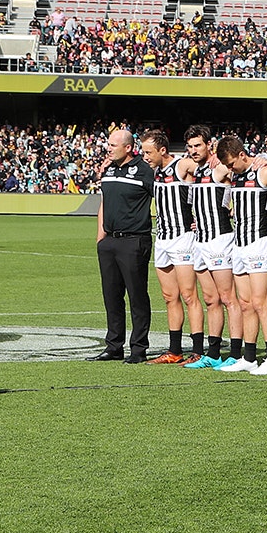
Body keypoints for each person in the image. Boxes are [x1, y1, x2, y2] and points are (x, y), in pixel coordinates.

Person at [216, 134, 267, 375]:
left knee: (260, 302)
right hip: (239, 244)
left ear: (243, 155)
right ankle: (250, 356)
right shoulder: (235, 174)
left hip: (260, 243)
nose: (230, 169)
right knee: (245, 304)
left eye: (232, 163)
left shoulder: (263, 171)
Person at [140, 130, 204, 364]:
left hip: (183, 238)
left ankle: (197, 351)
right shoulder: (156, 172)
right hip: (163, 239)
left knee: (189, 296)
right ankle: (174, 351)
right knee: (169, 297)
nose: (145, 156)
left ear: (163, 150)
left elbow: (212, 172)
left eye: (148, 152)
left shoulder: (181, 166)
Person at [91, 127, 154, 364]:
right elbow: (105, 202)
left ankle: (138, 348)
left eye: (113, 145)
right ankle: (113, 346)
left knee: (137, 296)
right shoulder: (108, 170)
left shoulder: (144, 170)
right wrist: (100, 237)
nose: (108, 148)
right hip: (109, 242)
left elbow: (165, 196)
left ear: (128, 148)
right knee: (112, 296)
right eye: (108, 144)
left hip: (134, 240)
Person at [183, 126, 241, 370]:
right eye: (189, 146)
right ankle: (214, 353)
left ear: (209, 144)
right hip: (201, 241)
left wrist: (233, 209)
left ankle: (238, 354)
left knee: (229, 299)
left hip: (220, 240)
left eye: (198, 145)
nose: (193, 150)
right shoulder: (195, 171)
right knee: (210, 299)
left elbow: (242, 175)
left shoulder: (220, 168)